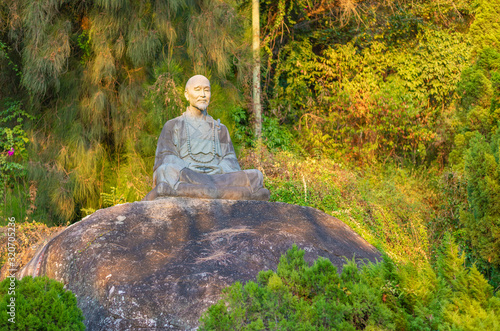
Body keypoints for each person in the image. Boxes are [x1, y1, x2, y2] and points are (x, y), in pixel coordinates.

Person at [143, 75, 270, 201]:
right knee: (166, 170)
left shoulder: (220, 129)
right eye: (197, 89)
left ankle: (197, 191)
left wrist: (219, 168)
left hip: (217, 178)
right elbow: (166, 158)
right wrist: (188, 167)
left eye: (207, 90)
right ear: (187, 95)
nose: (203, 94)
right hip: (188, 175)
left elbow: (230, 160)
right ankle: (224, 193)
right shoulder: (173, 125)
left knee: (256, 176)